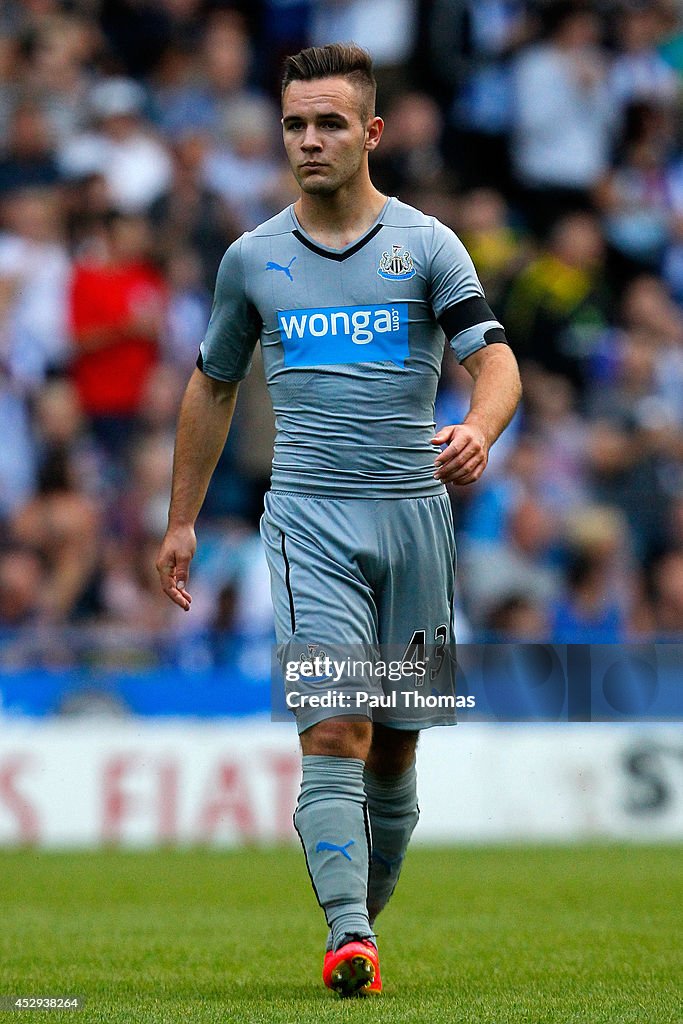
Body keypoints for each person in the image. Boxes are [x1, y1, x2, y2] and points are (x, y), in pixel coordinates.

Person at [156, 43, 522, 997]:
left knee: (395, 750)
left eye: (327, 123)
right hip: (307, 523)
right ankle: (349, 934)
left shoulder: (426, 245)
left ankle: (359, 924)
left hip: (413, 521)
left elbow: (495, 360)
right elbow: (212, 383)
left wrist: (479, 429)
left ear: (371, 132)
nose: (307, 140)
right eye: (293, 124)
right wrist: (181, 519)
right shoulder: (254, 258)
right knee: (335, 731)